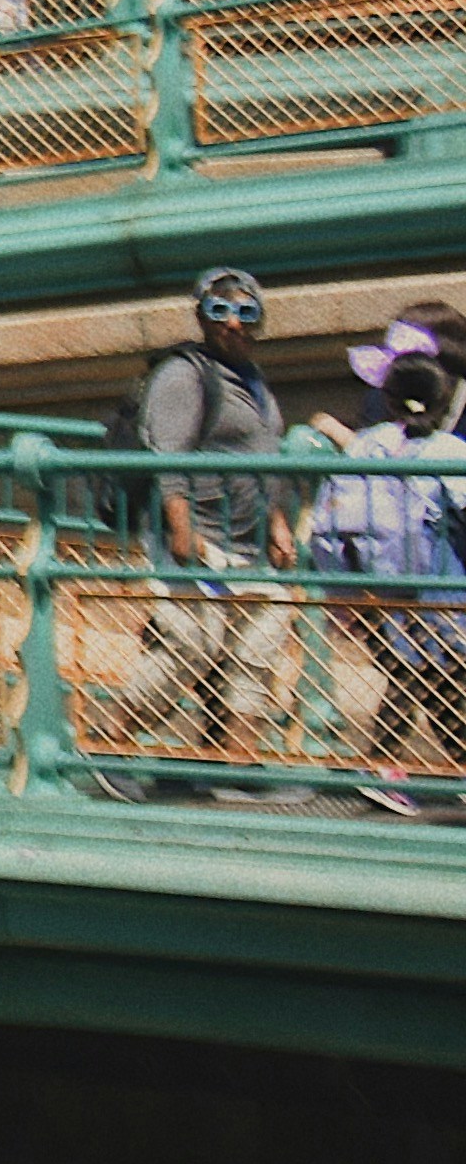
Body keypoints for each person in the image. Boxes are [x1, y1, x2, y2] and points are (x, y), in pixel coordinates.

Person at [105, 266, 306, 788]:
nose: (233, 323)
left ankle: (232, 760)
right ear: (201, 316)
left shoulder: (256, 384)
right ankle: (109, 743)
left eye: (246, 312)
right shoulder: (185, 374)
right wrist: (180, 523)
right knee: (188, 646)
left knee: (255, 653)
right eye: (219, 311)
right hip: (201, 535)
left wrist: (279, 522)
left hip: (251, 542)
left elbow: (266, 457)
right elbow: (165, 452)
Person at [315, 327, 466, 778]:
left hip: (375, 592)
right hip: (441, 593)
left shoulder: (364, 447)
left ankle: (417, 768)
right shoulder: (447, 451)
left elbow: (328, 527)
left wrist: (342, 589)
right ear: (442, 402)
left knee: (422, 676)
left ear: (387, 398)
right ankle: (380, 769)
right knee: (431, 676)